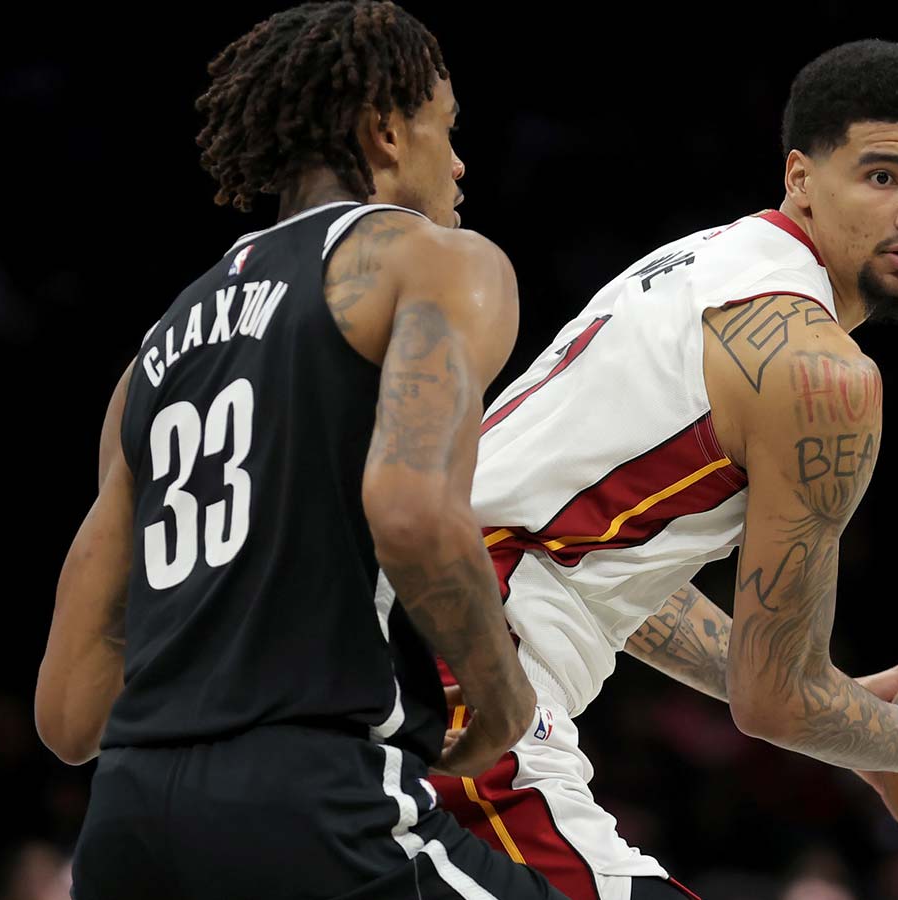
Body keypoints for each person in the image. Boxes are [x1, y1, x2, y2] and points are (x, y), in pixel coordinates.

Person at [429, 39, 898, 900]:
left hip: (400, 636)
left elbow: (594, 566)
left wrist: (854, 713)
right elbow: (775, 702)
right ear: (800, 177)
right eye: (884, 176)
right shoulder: (822, 373)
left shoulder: (693, 264)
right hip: (471, 671)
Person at [33, 4, 566, 898]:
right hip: (311, 799)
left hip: (128, 823)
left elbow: (68, 712)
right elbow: (411, 510)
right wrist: (503, 696)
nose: (459, 163)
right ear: (386, 131)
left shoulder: (152, 355)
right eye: (448, 129)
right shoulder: (434, 260)